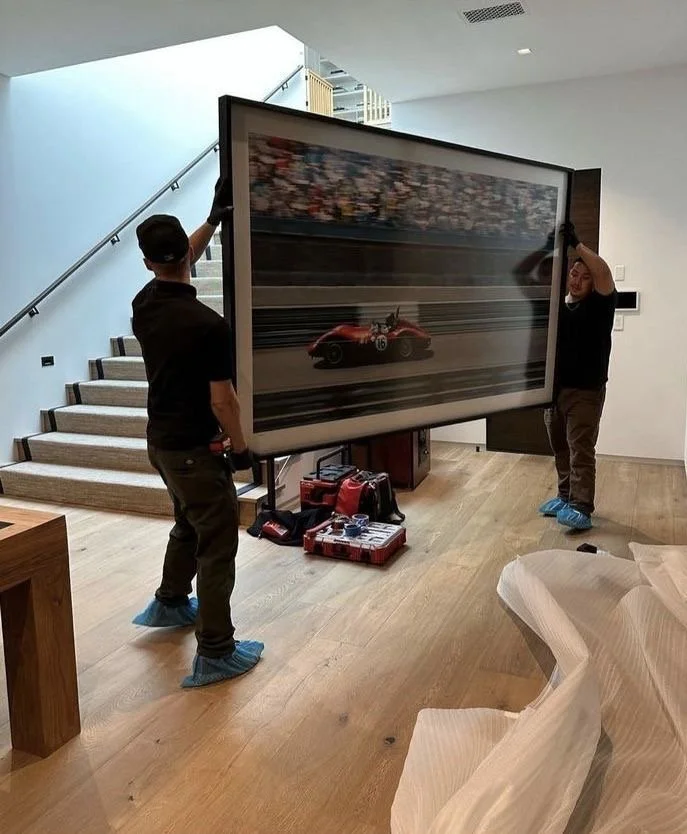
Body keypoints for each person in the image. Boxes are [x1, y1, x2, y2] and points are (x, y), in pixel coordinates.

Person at [130, 178, 263, 688]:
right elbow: (222, 400)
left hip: (161, 445)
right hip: (194, 450)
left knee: (187, 523)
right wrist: (242, 448)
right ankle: (215, 650)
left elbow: (176, 258)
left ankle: (169, 602)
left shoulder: (145, 303)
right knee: (216, 543)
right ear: (186, 254)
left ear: (147, 263)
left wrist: (213, 219)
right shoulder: (208, 325)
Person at [539, 222, 617, 531]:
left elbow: (604, 272)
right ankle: (565, 496)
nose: (578, 280)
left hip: (586, 392)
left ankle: (581, 506)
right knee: (560, 446)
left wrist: (578, 245)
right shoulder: (560, 307)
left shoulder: (600, 305)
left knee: (580, 448)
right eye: (574, 274)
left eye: (585, 277)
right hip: (555, 392)